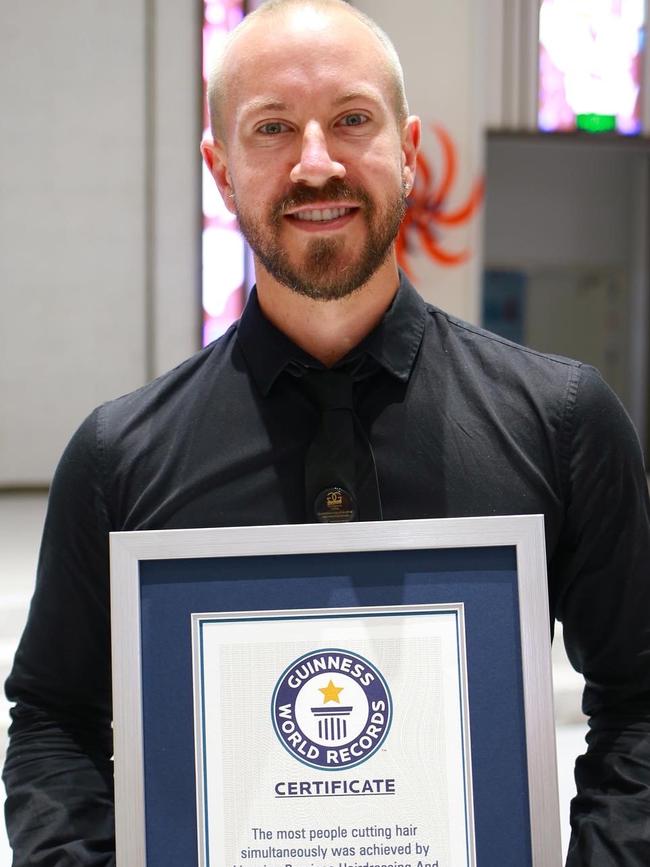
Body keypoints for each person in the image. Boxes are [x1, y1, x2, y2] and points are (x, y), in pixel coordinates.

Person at [3, 0, 649, 864]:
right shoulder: (119, 456)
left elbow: (640, 705)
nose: (317, 164)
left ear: (409, 152)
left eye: (351, 120)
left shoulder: (564, 422)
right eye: (271, 129)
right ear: (223, 171)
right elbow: (54, 724)